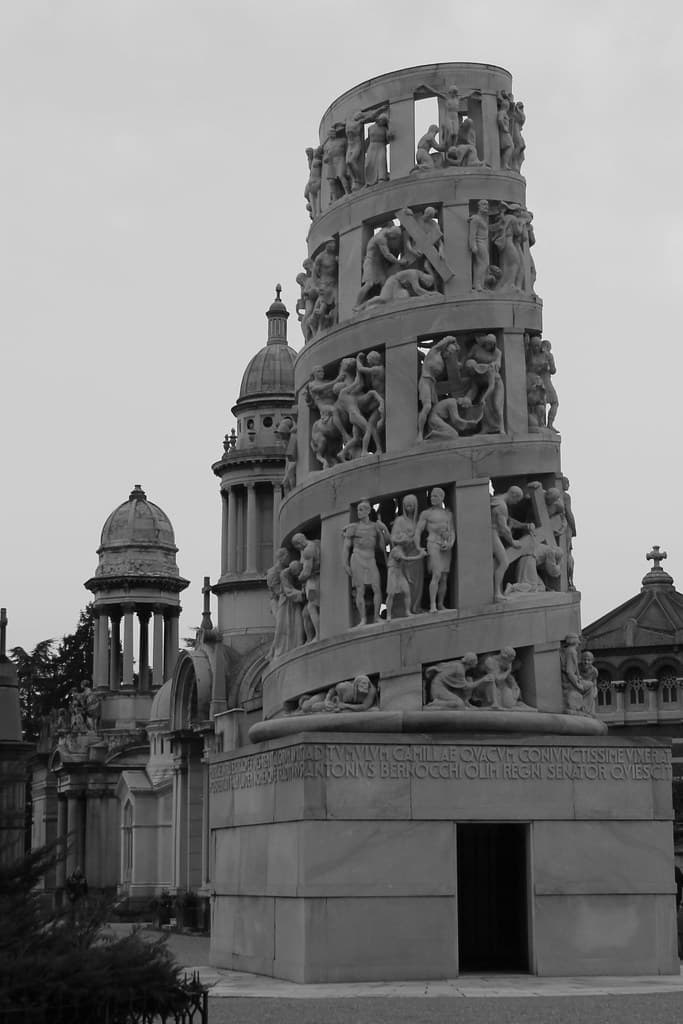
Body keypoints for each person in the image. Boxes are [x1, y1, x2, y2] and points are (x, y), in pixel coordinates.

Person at [343, 500, 389, 626]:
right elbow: (346, 546)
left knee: (376, 587)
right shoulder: (353, 527)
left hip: (371, 558)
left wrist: (384, 528)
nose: (359, 512)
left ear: (369, 511)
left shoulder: (375, 527)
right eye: (358, 510)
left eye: (362, 509)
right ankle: (362, 618)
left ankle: (376, 616)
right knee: (360, 590)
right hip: (357, 558)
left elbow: (384, 543)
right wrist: (345, 563)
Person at [415, 487, 455, 613]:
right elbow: (418, 531)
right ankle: (432, 605)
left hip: (445, 545)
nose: (433, 498)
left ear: (442, 497)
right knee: (436, 573)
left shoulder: (448, 514)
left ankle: (440, 603)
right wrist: (418, 547)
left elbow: (452, 530)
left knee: (444, 576)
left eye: (436, 496)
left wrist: (450, 543)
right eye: (432, 496)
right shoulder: (427, 513)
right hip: (432, 543)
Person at [417, 335, 459, 440]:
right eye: (448, 352)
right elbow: (446, 340)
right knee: (427, 407)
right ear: (445, 348)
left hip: (432, 384)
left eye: (450, 354)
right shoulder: (434, 352)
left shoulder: (442, 361)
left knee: (434, 410)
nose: (448, 355)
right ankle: (420, 434)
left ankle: (433, 431)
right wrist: (452, 340)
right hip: (425, 381)